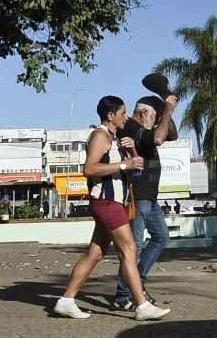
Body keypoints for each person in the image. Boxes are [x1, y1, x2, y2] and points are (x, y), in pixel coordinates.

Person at [53, 95, 171, 321]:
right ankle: (141, 305)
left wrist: (131, 153)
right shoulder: (99, 135)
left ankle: (66, 300)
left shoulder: (114, 138)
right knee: (129, 249)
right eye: (123, 113)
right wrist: (124, 163)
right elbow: (89, 169)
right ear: (110, 116)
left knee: (95, 254)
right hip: (106, 202)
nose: (126, 118)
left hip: (113, 202)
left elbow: (134, 168)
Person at [112, 93, 177, 311]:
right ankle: (123, 294)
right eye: (154, 116)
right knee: (134, 246)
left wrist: (165, 104)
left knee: (161, 238)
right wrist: (166, 110)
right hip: (138, 196)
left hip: (150, 197)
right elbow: (159, 138)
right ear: (142, 113)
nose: (157, 122)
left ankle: (136, 283)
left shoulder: (143, 129)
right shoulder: (131, 127)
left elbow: (171, 134)